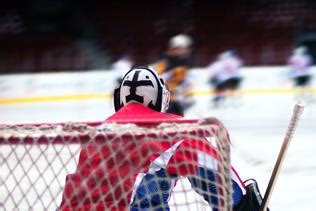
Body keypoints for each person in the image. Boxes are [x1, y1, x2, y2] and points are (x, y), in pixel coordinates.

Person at [58, 66, 267, 211]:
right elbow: (222, 183)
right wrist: (248, 204)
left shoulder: (99, 133)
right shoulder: (174, 130)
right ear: (159, 97)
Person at [153, 34, 195, 116]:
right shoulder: (165, 63)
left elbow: (183, 82)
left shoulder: (182, 64)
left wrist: (186, 92)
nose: (186, 51)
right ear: (176, 49)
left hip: (174, 102)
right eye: (184, 48)